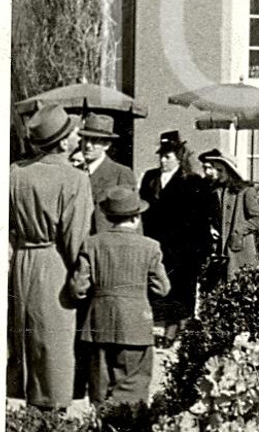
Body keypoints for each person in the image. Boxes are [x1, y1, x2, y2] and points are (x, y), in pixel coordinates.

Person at [8, 105, 94, 410]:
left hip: (22, 263)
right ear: (61, 142)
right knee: (54, 346)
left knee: (26, 340)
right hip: (54, 263)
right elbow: (76, 241)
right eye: (72, 132)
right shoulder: (74, 179)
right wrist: (81, 282)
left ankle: (28, 408)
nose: (77, 135)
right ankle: (50, 417)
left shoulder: (16, 173)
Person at [70, 188, 170, 405]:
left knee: (99, 386)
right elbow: (162, 288)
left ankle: (100, 431)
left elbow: (79, 287)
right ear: (136, 217)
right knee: (133, 386)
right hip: (136, 324)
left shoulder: (92, 244)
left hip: (98, 322)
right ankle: (126, 431)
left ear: (108, 217)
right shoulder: (150, 247)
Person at [139, 131, 213, 347]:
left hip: (182, 248)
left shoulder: (191, 181)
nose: (163, 161)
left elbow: (200, 219)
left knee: (179, 289)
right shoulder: (150, 178)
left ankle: (172, 330)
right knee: (156, 286)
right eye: (161, 156)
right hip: (155, 243)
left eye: (168, 157)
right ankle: (158, 327)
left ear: (179, 158)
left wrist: (200, 249)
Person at [204, 153, 259, 287]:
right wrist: (211, 228)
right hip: (221, 250)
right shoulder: (215, 191)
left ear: (230, 171)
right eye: (216, 170)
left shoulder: (245, 191)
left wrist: (238, 230)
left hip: (239, 249)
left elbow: (258, 218)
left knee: (240, 286)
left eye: (221, 170)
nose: (217, 174)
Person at [78, 113, 139, 234]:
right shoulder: (75, 173)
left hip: (107, 245)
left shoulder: (120, 173)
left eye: (95, 140)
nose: (88, 145)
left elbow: (133, 219)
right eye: (85, 139)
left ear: (107, 145)